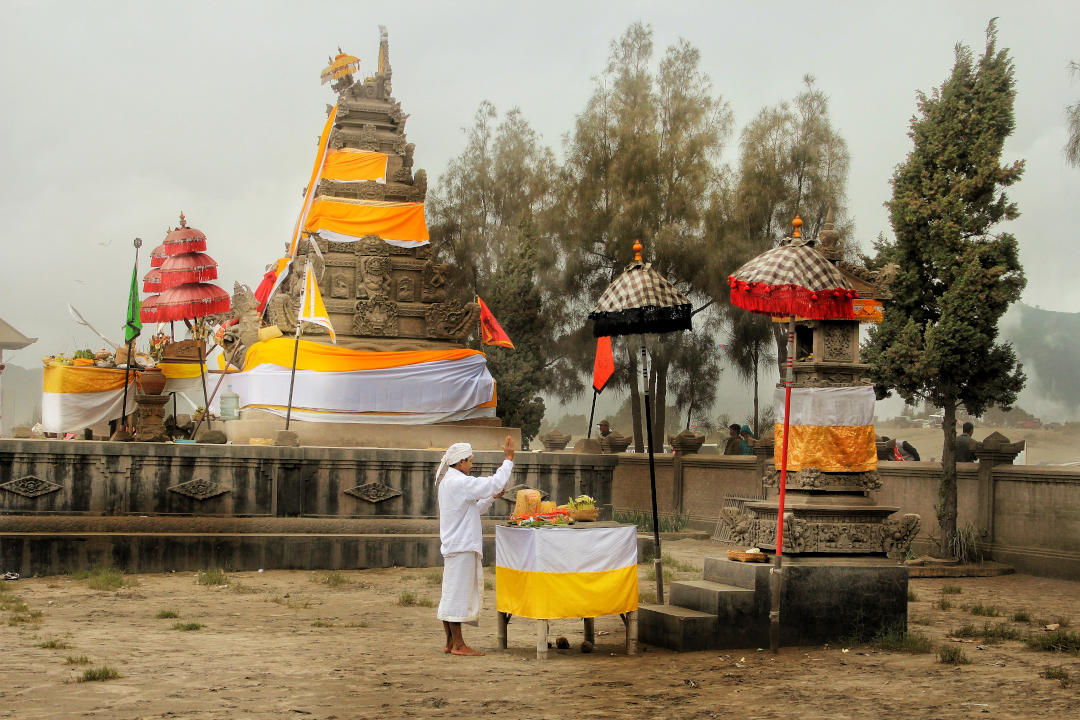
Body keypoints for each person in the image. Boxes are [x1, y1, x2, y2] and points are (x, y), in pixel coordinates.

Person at [436, 436, 515, 656]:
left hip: (457, 544)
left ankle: (451, 642)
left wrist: (491, 498)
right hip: (461, 546)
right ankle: (458, 645)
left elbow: (472, 509)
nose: (471, 465)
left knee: (451, 593)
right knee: (457, 595)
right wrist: (508, 460)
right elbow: (492, 483)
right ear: (460, 462)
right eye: (469, 460)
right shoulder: (459, 482)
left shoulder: (450, 482)